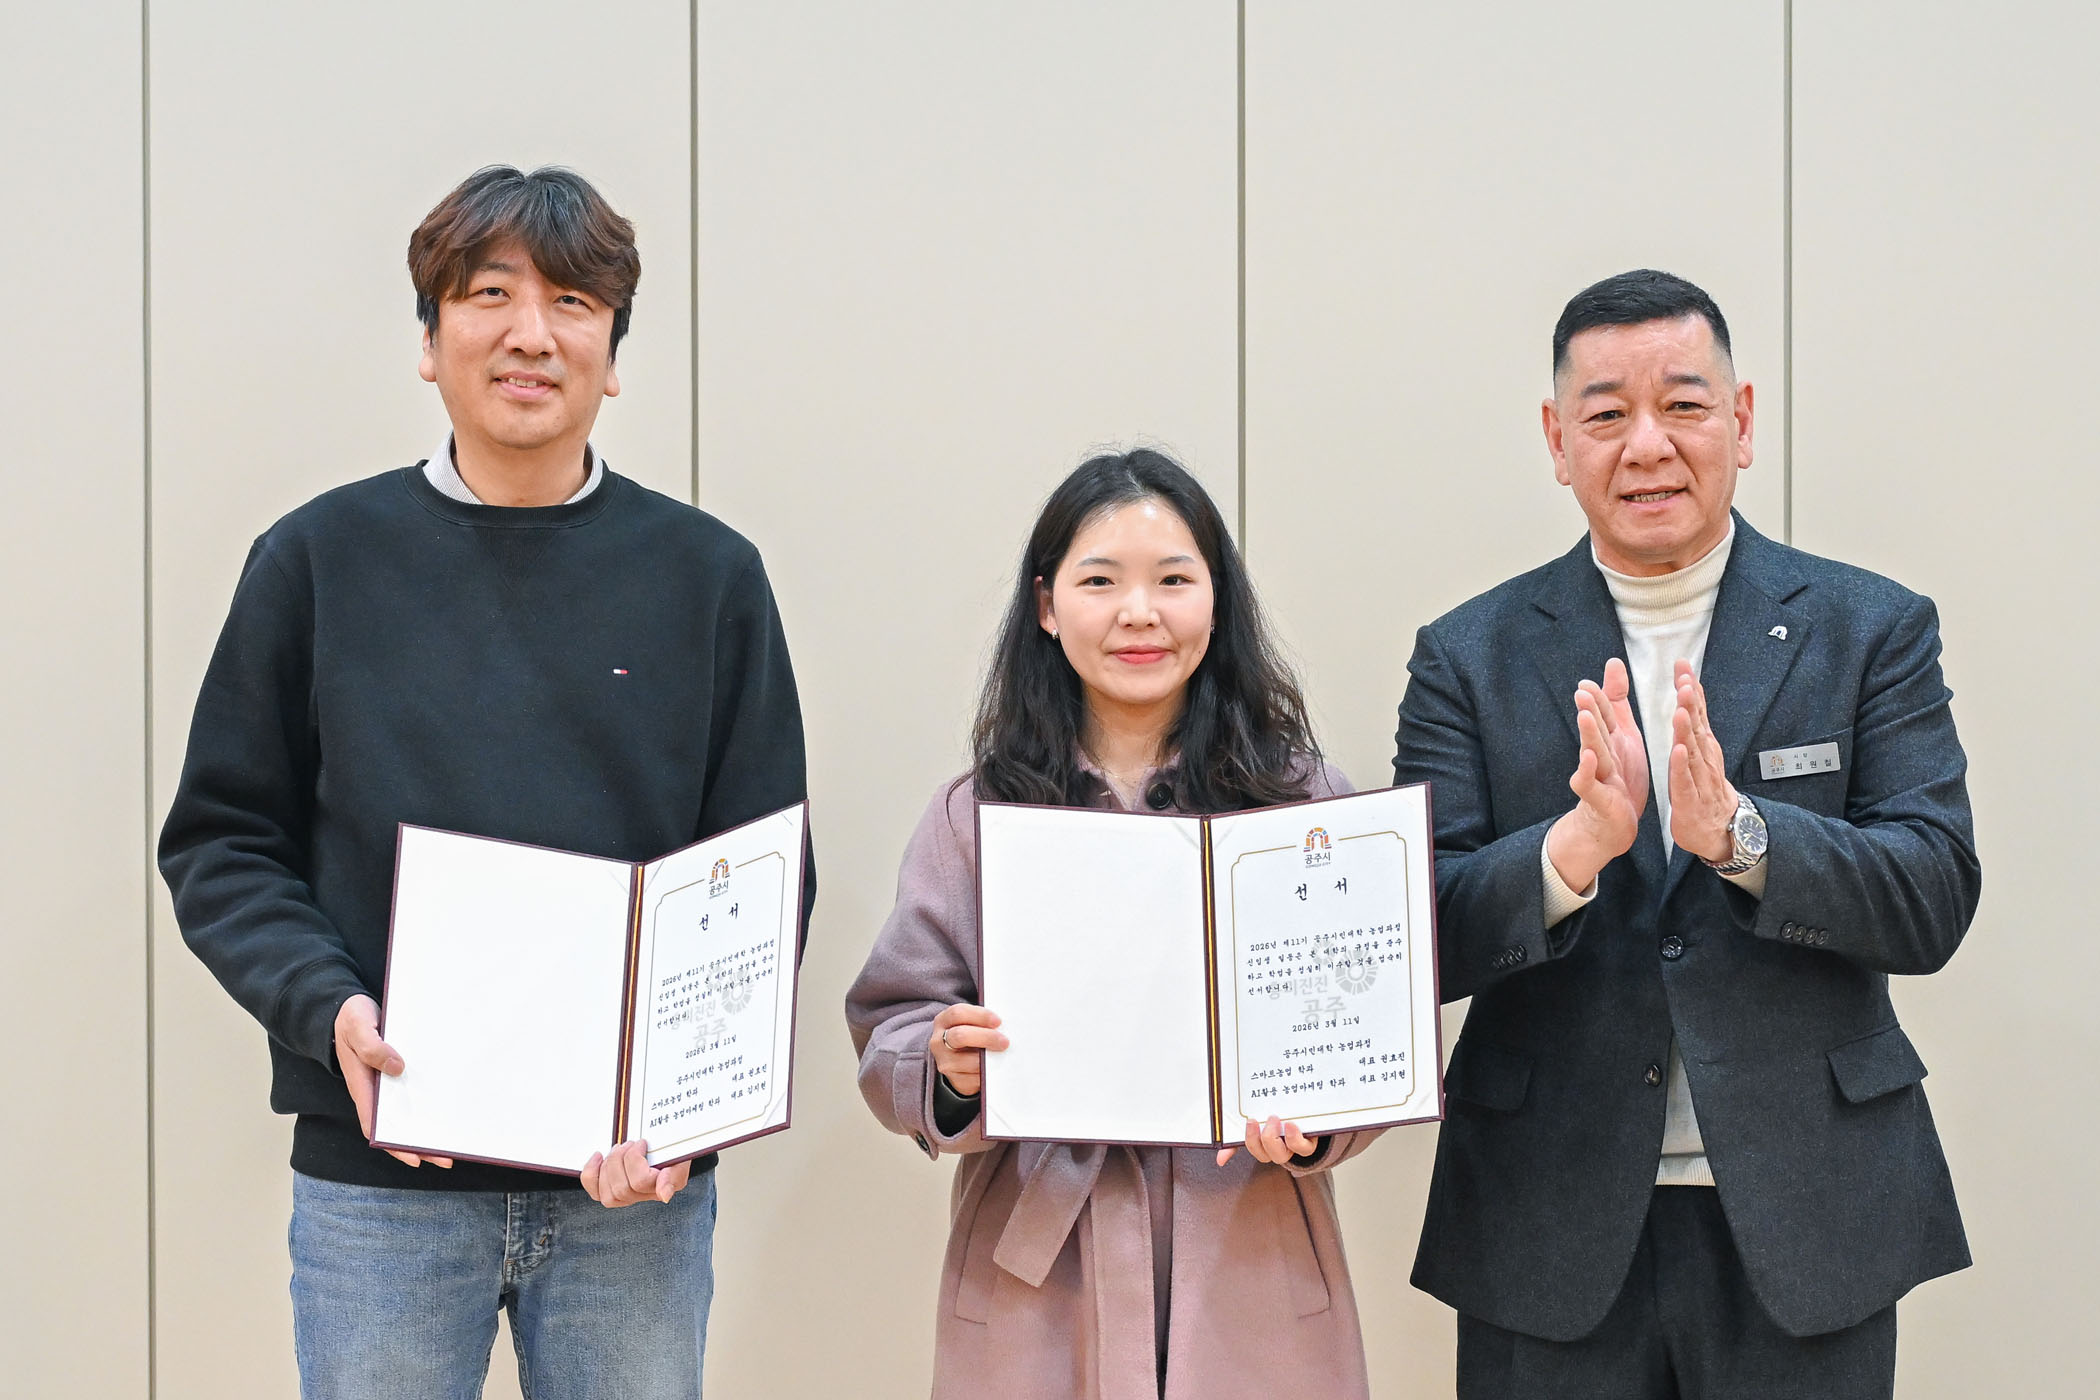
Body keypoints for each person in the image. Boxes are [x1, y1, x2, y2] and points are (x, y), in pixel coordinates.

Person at [158, 165, 812, 1400]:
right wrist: (330, 1008)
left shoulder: (709, 577)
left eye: (573, 302)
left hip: (631, 1193)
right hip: (382, 1187)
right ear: (429, 341)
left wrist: (689, 1109)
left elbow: (761, 872)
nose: (531, 332)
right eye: (490, 294)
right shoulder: (315, 561)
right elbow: (223, 842)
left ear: (612, 357)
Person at [1394, 269, 1978, 1398]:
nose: (1648, 444)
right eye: (1607, 413)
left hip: (1808, 1210)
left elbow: (1933, 895)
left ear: (1743, 421)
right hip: (1545, 1212)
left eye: (1684, 405)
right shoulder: (1467, 654)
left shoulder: (1869, 628)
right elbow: (1420, 935)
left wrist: (1743, 838)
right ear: (1557, 440)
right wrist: (1571, 852)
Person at [847, 449, 1379, 1399]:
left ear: (1217, 601)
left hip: (1248, 1246)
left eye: (1174, 580)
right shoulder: (975, 814)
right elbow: (892, 1022)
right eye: (1100, 581)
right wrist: (947, 1065)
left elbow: (1368, 1028)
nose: (1140, 612)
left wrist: (1314, 1121)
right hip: (1042, 1273)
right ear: (1047, 606)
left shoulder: (1301, 804)